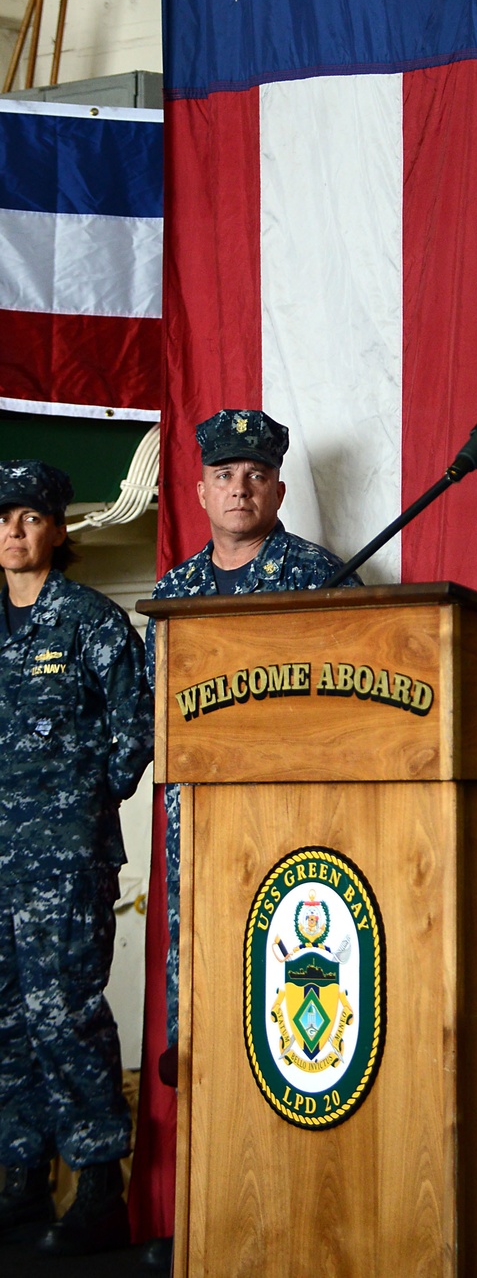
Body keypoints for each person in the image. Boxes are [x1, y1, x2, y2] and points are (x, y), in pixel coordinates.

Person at [147, 408, 361, 1053]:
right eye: (224, 473)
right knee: (203, 958)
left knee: (291, 962)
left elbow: (355, 706)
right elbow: (155, 710)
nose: (239, 487)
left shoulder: (320, 579)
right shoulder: (173, 592)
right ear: (202, 491)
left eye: (256, 474)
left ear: (279, 490)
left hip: (293, 811)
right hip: (199, 814)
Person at [0, 460, 154, 1257]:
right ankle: (21, 1175)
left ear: (58, 531)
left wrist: (82, 802)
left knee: (65, 1011)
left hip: (63, 858)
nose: (14, 533)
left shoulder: (91, 621)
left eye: (29, 518)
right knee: (6, 1020)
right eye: (3, 520)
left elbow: (136, 731)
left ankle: (99, 1185)